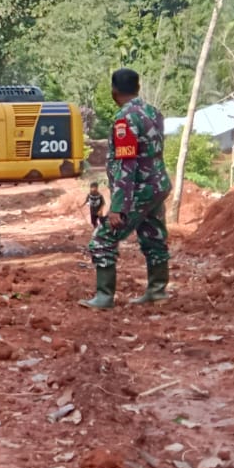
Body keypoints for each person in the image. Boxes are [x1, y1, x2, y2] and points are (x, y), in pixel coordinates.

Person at [80, 68, 171, 309]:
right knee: (153, 235)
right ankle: (157, 291)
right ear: (138, 88)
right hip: (158, 184)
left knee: (103, 238)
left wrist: (118, 208)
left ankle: (104, 296)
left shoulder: (125, 119)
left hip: (138, 189)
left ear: (114, 90)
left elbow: (126, 164)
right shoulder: (153, 112)